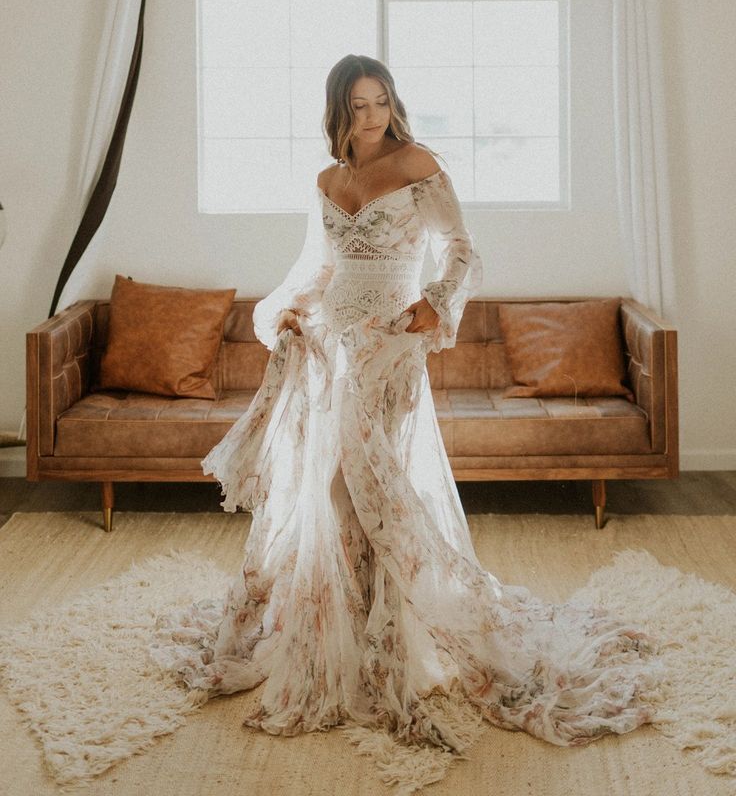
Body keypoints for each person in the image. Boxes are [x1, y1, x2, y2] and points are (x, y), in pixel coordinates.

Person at [149, 54, 665, 787]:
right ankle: (348, 628)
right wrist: (293, 309)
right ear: (338, 112)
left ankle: (392, 638)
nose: (373, 116)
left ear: (394, 104)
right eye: (358, 106)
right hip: (334, 344)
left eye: (381, 101)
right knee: (331, 490)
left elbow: (463, 250)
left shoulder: (417, 161)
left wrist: (435, 302)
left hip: (391, 342)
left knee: (369, 486)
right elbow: (322, 265)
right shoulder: (328, 181)